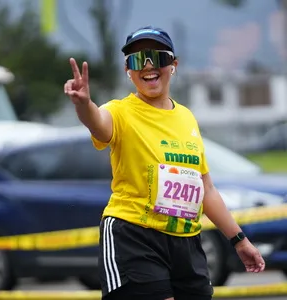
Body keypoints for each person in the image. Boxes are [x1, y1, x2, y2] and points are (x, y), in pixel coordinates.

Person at [64, 26, 265, 300]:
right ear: (128, 69)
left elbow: (206, 188)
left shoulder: (186, 118)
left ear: (173, 65)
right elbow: (98, 124)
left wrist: (239, 240)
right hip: (134, 235)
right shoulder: (119, 111)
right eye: (137, 60)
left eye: (157, 58)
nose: (148, 66)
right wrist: (83, 105)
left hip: (186, 241)